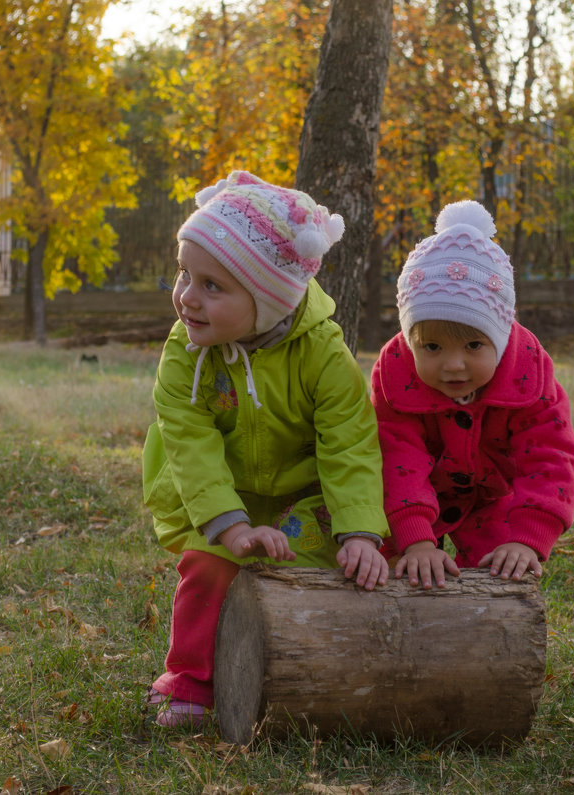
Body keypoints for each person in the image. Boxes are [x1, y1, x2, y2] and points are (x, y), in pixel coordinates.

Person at [142, 171, 390, 729]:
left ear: (268, 298)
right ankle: (190, 680)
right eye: (185, 274)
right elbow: (188, 439)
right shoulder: (186, 349)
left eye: (212, 286)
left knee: (305, 566)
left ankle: (293, 666)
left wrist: (359, 532)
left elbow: (349, 441)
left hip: (305, 494)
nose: (186, 298)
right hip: (219, 496)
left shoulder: (324, 354)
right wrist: (229, 526)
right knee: (209, 568)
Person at [372, 199, 574, 589]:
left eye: (472, 346)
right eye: (431, 348)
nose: (453, 365)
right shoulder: (396, 373)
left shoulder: (527, 372)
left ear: (500, 340)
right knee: (397, 572)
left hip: (493, 496)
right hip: (413, 494)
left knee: (502, 571)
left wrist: (528, 537)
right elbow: (396, 454)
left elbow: (551, 454)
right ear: (409, 340)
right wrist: (414, 538)